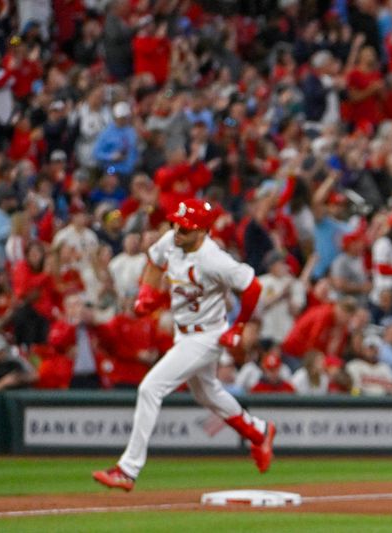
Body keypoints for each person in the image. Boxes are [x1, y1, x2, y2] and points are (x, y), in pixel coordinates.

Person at [92, 199, 276, 492]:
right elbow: (154, 261)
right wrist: (146, 293)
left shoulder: (214, 259)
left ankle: (128, 468)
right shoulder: (172, 240)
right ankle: (259, 431)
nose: (178, 232)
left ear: (203, 231)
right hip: (184, 331)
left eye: (186, 229)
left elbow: (252, 286)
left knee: (150, 388)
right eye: (177, 225)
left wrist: (239, 326)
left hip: (207, 336)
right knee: (207, 393)